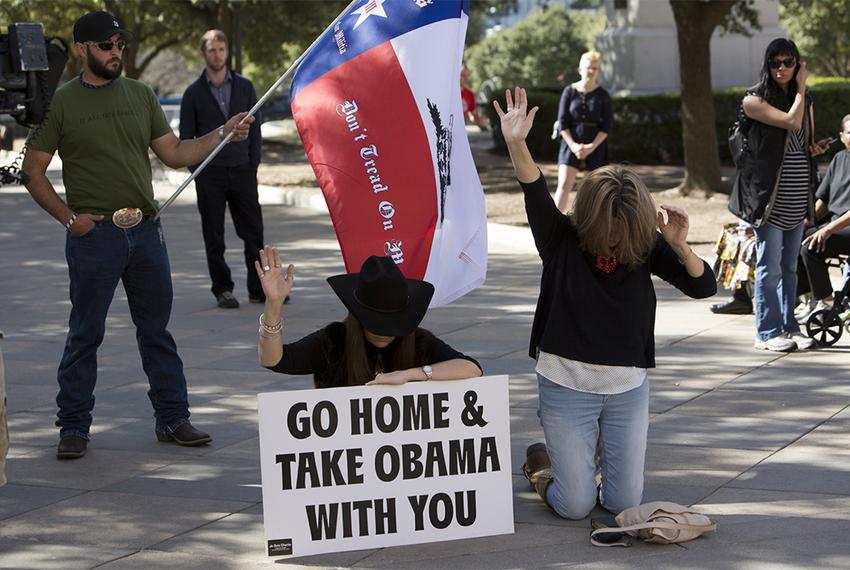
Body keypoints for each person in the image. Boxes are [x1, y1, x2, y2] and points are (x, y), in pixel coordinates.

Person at [21, 11, 254, 459]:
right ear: (82, 49)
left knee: (157, 332)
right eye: (106, 46)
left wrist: (223, 131)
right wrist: (71, 220)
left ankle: (173, 418)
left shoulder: (141, 94)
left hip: (146, 233)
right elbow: (33, 172)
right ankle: (73, 426)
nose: (116, 53)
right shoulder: (62, 102)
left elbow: (174, 153)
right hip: (95, 237)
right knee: (84, 333)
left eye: (120, 45)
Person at [494, 87, 716, 519]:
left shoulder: (644, 244)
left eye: (625, 227)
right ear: (591, 216)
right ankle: (543, 467)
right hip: (566, 385)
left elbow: (703, 288)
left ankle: (580, 460)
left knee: (621, 503)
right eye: (609, 227)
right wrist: (516, 141)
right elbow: (534, 187)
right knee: (575, 506)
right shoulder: (560, 240)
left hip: (626, 390)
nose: (617, 238)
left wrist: (681, 247)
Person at [729, 38, 830, 352]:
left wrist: (812, 148)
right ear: (767, 65)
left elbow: (800, 137)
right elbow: (791, 121)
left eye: (789, 62)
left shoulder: (804, 99)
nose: (783, 68)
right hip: (769, 198)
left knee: (789, 267)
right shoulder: (754, 100)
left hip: (798, 192)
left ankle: (790, 327)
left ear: (797, 63)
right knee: (769, 267)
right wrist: (801, 88)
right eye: (776, 63)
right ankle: (767, 332)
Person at [256, 248, 482, 387]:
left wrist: (410, 375)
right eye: (376, 321)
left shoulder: (418, 341)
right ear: (358, 315)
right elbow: (274, 360)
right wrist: (274, 305)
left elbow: (471, 368)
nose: (384, 332)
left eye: (393, 323)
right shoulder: (334, 341)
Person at [180, 30, 265, 309]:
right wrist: (198, 170)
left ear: (226, 52)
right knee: (214, 234)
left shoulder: (245, 86)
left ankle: (258, 288)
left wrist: (252, 164)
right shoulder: (192, 94)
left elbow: (255, 131)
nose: (217, 54)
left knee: (253, 233)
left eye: (221, 49)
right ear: (203, 54)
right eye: (211, 50)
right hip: (210, 174)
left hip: (242, 170)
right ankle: (223, 289)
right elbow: (186, 137)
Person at [797, 114, 850, 320]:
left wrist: (826, 230)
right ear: (842, 136)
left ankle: (827, 305)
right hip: (833, 224)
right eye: (849, 132)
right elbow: (824, 201)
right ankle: (810, 298)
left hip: (844, 227)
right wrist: (806, 223)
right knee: (793, 240)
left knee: (809, 248)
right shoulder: (839, 159)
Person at [553, 50, 613, 213]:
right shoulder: (569, 91)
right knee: (564, 184)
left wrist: (590, 147)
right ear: (580, 69)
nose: (591, 71)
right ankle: (553, 223)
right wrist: (573, 146)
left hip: (596, 146)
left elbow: (606, 126)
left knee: (590, 190)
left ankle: (585, 225)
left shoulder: (603, 95)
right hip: (570, 143)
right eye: (588, 67)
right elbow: (562, 122)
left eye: (595, 68)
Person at [460, 64, 488, 130]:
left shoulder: (470, 94)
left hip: (460, 130)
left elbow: (473, 116)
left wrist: (481, 121)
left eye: (467, 76)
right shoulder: (449, 91)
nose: (465, 78)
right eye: (462, 75)